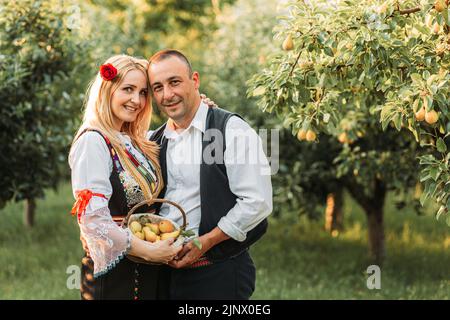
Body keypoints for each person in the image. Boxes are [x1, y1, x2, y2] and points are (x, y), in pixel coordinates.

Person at [147, 49, 273, 300]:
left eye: (174, 82)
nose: (167, 95)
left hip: (217, 273)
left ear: (195, 80)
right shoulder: (153, 140)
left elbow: (257, 202)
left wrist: (203, 243)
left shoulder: (232, 130)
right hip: (164, 275)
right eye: (157, 87)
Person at [68, 54, 183, 300]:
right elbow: (93, 220)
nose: (137, 100)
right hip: (116, 276)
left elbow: (171, 132)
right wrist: (149, 252)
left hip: (145, 268)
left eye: (142, 92)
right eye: (128, 89)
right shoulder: (93, 141)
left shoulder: (132, 140)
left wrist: (198, 109)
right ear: (107, 90)